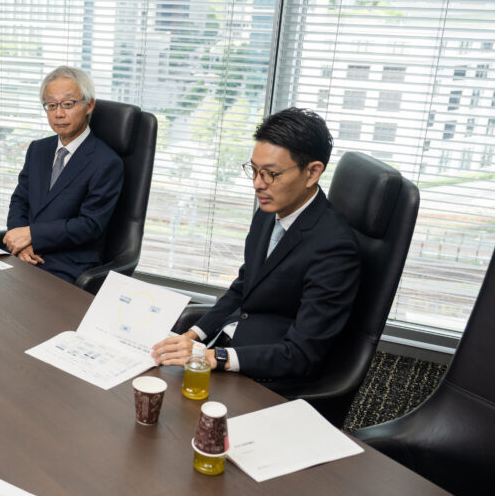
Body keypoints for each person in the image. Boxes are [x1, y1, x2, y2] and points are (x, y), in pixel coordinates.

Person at [151, 108, 360, 384]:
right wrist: (193, 335)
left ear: (312, 173)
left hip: (267, 374)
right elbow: (244, 285)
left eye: (271, 174)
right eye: (254, 170)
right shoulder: (269, 210)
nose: (257, 185)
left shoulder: (335, 248)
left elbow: (301, 354)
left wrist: (216, 357)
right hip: (229, 344)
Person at [4, 66, 124, 283]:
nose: (59, 113)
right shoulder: (37, 149)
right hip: (25, 254)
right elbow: (19, 201)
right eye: (51, 105)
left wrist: (32, 236)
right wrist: (20, 241)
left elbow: (89, 225)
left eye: (68, 104)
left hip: (67, 265)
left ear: (89, 105)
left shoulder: (107, 162)